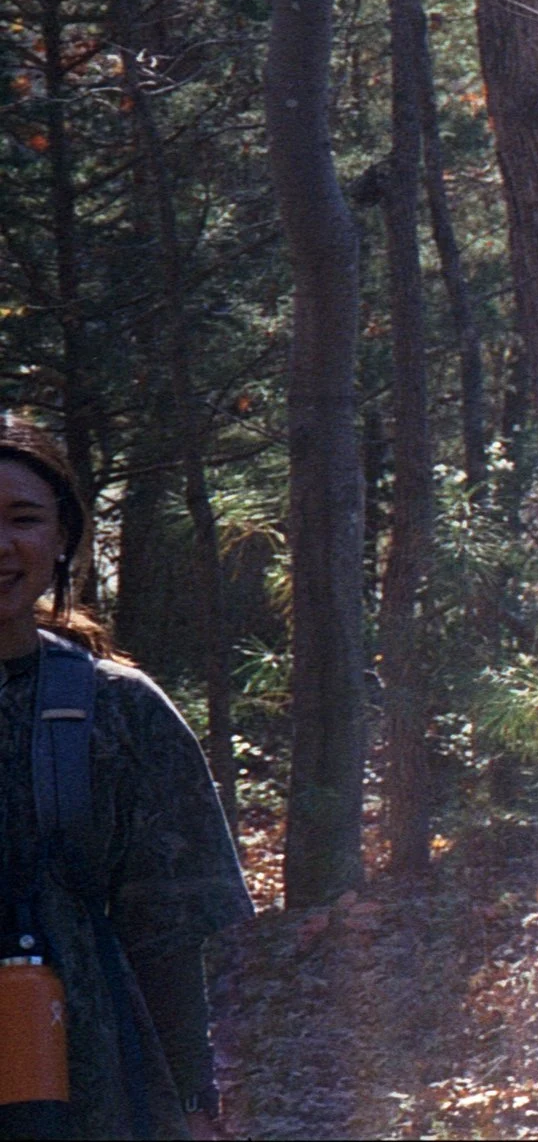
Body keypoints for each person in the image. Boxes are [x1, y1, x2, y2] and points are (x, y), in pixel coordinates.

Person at [0, 417, 253, 1140]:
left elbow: (169, 937)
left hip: (94, 1092)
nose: (1, 545)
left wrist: (195, 1103)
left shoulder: (119, 710)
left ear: (60, 542)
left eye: (23, 520)